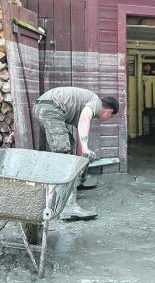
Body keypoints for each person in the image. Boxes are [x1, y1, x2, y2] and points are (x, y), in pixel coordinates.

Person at [33, 87, 119, 220]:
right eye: (110, 117)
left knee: (70, 145)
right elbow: (84, 121)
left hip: (47, 108)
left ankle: (78, 182)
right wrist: (85, 148)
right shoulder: (95, 103)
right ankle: (68, 208)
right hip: (50, 108)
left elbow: (80, 142)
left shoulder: (85, 106)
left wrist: (83, 154)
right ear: (109, 110)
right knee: (64, 155)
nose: (107, 119)